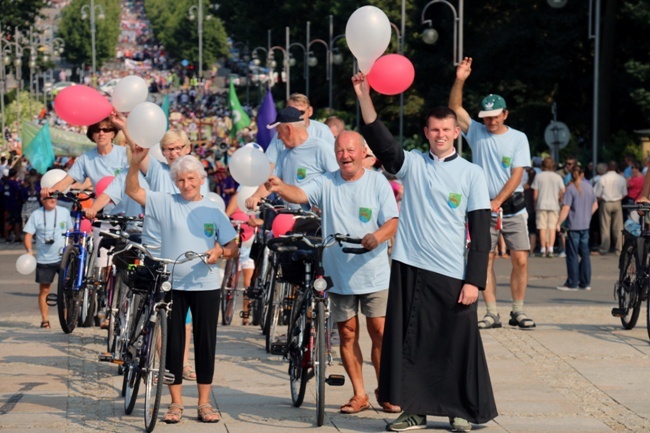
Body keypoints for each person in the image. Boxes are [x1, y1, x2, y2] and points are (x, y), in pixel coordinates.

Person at [354, 72, 497, 432]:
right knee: (408, 342)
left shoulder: (471, 174)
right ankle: (412, 410)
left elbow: (481, 234)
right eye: (434, 130)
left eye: (446, 129)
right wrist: (364, 97)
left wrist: (474, 281)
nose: (440, 135)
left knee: (455, 344)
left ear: (456, 132)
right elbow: (383, 143)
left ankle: (459, 410)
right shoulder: (413, 164)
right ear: (426, 132)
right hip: (409, 267)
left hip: (452, 274)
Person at [265, 130, 400, 415]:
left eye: (350, 150)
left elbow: (393, 221)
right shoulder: (326, 181)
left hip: (373, 272)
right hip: (338, 273)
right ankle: (359, 394)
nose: (345, 156)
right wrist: (279, 186)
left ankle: (385, 390)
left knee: (379, 332)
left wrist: (377, 236)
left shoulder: (377, 182)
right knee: (348, 333)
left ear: (364, 153)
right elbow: (300, 193)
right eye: (340, 151)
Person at [126, 152, 238, 424]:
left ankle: (204, 403)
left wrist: (220, 251)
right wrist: (133, 163)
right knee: (173, 345)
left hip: (207, 285)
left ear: (201, 179)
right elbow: (133, 191)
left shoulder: (214, 210)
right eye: (180, 179)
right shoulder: (166, 203)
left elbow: (233, 247)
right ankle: (175, 403)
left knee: (205, 343)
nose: (186, 184)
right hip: (173, 283)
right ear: (174, 182)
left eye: (191, 178)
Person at [449, 57, 535, 330]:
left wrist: (498, 200)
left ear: (504, 114)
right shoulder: (476, 132)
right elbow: (454, 108)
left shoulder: (518, 138)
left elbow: (518, 174)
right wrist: (460, 79)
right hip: (483, 207)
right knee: (484, 258)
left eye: (495, 116)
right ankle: (491, 311)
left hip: (511, 206)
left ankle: (518, 310)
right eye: (486, 117)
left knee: (520, 258)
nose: (490, 121)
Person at [245, 106, 338, 211]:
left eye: (279, 132)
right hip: (291, 218)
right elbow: (271, 182)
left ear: (289, 129)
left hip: (315, 221)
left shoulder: (320, 148)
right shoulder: (284, 154)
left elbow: (338, 179)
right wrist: (256, 196)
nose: (278, 137)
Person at [23, 195, 73, 328]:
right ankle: (45, 320)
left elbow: (72, 231)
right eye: (49, 198)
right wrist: (29, 251)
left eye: (54, 197)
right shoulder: (36, 214)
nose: (53, 200)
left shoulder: (64, 212)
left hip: (64, 257)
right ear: (42, 200)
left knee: (67, 288)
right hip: (45, 258)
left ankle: (67, 317)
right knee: (44, 289)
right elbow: (28, 235)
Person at [264, 93, 335, 169]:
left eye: (301, 112)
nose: (296, 116)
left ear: (310, 111)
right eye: (291, 112)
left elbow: (333, 165)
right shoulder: (279, 136)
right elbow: (270, 163)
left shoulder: (322, 132)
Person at [556, 167, 598, 291]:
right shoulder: (589, 187)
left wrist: (558, 222)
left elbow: (566, 208)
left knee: (572, 255)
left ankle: (572, 282)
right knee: (585, 254)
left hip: (574, 225)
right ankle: (585, 282)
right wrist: (587, 214)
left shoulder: (570, 188)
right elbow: (595, 205)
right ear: (582, 174)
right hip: (585, 224)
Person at [531, 157, 565, 257]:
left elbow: (535, 192)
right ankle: (550, 248)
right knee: (552, 228)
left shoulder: (539, 176)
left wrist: (534, 203)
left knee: (542, 227)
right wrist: (559, 198)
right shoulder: (557, 177)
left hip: (541, 204)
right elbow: (563, 191)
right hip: (554, 205)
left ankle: (542, 248)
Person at [593, 160, 627, 255]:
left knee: (605, 227)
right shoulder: (621, 178)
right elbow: (624, 193)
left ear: (607, 168)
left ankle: (604, 248)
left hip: (606, 202)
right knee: (618, 227)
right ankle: (618, 248)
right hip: (617, 202)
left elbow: (597, 193)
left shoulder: (603, 178)